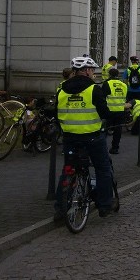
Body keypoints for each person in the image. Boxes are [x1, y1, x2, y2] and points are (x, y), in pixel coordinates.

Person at [54, 55, 113, 220]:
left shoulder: (61, 90)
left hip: (70, 138)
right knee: (102, 169)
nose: (93, 73)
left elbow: (57, 115)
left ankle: (60, 210)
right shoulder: (94, 89)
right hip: (93, 137)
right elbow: (105, 112)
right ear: (87, 71)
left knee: (67, 170)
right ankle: (104, 205)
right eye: (92, 70)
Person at [100, 67, 127, 154]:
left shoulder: (107, 83)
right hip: (120, 110)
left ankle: (102, 148)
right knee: (118, 130)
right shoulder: (123, 85)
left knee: (105, 129)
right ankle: (115, 148)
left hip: (109, 110)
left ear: (109, 74)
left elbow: (102, 97)